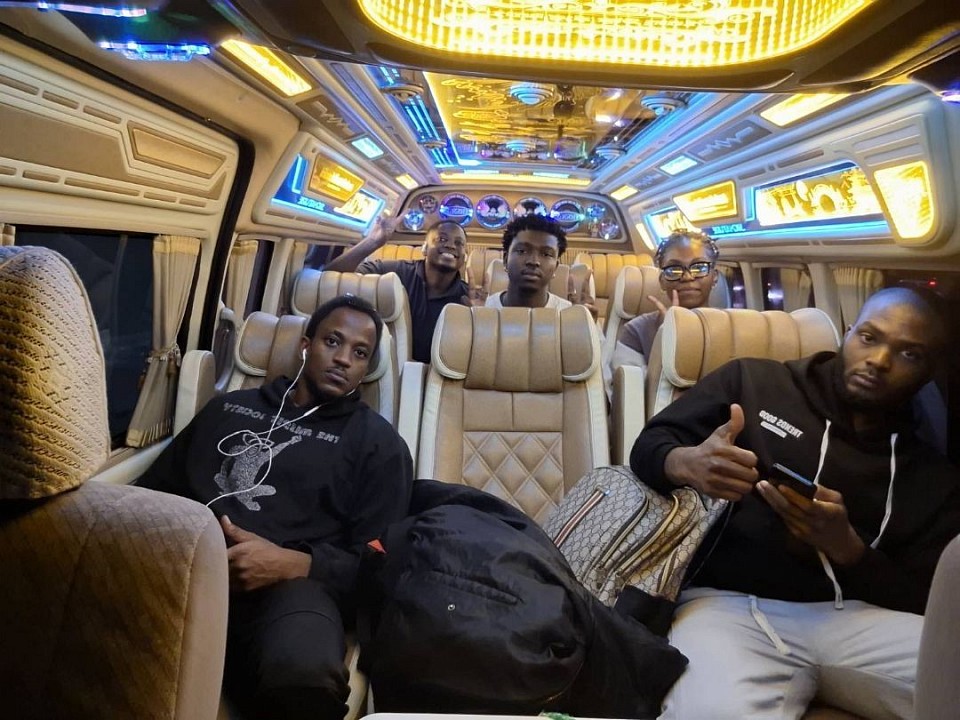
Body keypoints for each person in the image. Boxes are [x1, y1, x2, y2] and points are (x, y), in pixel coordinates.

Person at [629, 287, 960, 720]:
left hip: (859, 617)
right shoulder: (752, 382)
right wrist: (686, 463)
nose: (879, 360)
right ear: (848, 333)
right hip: (728, 606)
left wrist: (848, 550)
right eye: (869, 337)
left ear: (929, 372)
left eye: (908, 354)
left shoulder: (931, 473)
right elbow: (649, 446)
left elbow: (926, 596)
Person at [137, 295, 414, 720]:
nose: (343, 359)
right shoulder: (227, 408)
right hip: (183, 569)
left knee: (303, 672)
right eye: (332, 342)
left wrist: (297, 564)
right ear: (305, 345)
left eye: (360, 353)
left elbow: (381, 562)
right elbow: (152, 493)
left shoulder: (379, 445)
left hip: (289, 591)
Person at [323, 216, 469, 363]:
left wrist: (478, 314)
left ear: (465, 256)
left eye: (459, 243)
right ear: (424, 248)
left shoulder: (467, 298)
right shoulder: (394, 272)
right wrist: (372, 242)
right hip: (386, 365)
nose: (451, 246)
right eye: (442, 239)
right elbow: (330, 278)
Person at [613, 229, 720, 369]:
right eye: (674, 270)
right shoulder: (637, 331)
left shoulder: (734, 329)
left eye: (699, 268)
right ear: (662, 281)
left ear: (715, 277)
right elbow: (630, 382)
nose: (687, 277)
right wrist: (665, 336)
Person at [485, 214, 573, 309]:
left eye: (546, 254)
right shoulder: (483, 308)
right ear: (505, 260)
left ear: (555, 267)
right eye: (522, 251)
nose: (533, 261)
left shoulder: (568, 313)